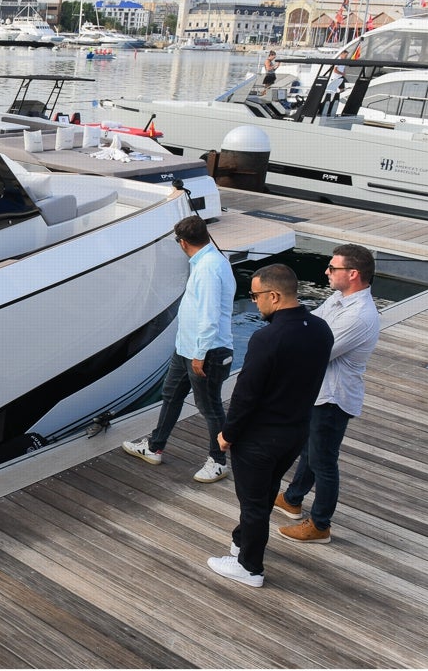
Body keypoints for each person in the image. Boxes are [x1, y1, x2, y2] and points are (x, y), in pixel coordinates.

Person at [207, 264, 333, 588]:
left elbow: (246, 394)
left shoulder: (267, 338)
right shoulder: (321, 330)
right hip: (295, 433)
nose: (254, 302)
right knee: (264, 494)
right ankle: (241, 542)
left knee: (253, 504)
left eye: (255, 296)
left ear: (274, 296)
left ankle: (250, 568)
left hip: (260, 439)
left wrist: (227, 435)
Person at [274, 244, 380, 544]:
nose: (326, 272)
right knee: (310, 449)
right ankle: (293, 499)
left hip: (334, 398)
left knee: (324, 461)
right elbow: (311, 322)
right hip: (318, 392)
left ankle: (320, 525)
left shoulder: (359, 316)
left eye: (332, 268)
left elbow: (318, 350)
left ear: (353, 274)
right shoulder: (338, 298)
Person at [123, 215, 235, 483]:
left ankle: (218, 462)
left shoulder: (208, 268)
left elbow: (209, 316)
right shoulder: (208, 260)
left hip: (204, 352)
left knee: (209, 407)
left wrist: (200, 354)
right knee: (171, 395)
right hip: (186, 348)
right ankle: (154, 447)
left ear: (182, 243)